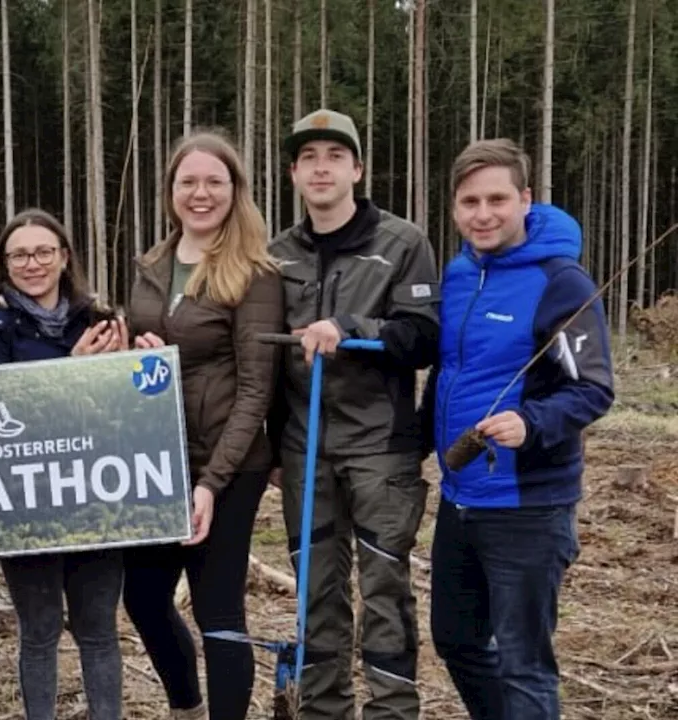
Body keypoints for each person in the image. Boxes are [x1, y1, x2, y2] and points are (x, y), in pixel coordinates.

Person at [422, 138, 613, 720]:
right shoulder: (458, 275)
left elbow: (594, 388)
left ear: (526, 199)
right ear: (454, 207)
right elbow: (447, 371)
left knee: (524, 662)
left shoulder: (562, 283)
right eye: (469, 201)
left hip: (528, 504)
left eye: (497, 199)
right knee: (456, 640)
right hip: (461, 496)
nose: (483, 214)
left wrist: (531, 423)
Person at [266, 108, 439, 720]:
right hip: (302, 448)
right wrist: (271, 452)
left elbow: (423, 336)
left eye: (334, 156)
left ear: (356, 169)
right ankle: (322, 709)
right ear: (292, 173)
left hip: (380, 448)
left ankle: (392, 710)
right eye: (308, 158)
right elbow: (261, 360)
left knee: (385, 590)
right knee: (317, 591)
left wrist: (351, 329)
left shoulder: (402, 242)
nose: (321, 168)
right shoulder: (275, 254)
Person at [121, 129, 282, 720]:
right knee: (142, 596)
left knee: (219, 613)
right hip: (156, 458)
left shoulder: (255, 272)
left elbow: (256, 387)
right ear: (170, 191)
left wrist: (212, 484)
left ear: (234, 190)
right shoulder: (152, 265)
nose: (200, 193)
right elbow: (146, 359)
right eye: (188, 181)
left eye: (214, 181)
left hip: (226, 463)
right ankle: (187, 707)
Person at [0, 208, 129, 720]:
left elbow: (122, 409)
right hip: (25, 502)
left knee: (98, 629)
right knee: (38, 631)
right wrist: (71, 371)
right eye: (19, 254)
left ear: (64, 257)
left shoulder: (99, 319)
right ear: (3, 263)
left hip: (94, 495)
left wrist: (128, 364)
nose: (31, 263)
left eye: (43, 252)